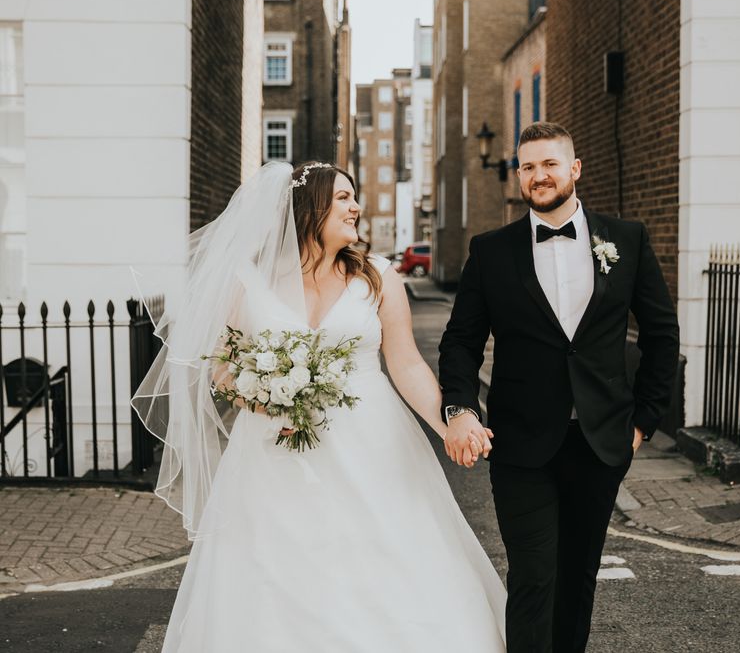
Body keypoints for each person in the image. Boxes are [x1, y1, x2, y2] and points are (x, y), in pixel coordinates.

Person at [132, 161, 505, 651]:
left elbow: (407, 364)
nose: (357, 207)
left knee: (385, 554)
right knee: (273, 565)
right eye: (345, 198)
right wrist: (262, 397)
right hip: (271, 450)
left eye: (355, 198)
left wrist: (453, 422)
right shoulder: (248, 280)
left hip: (371, 441)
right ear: (310, 208)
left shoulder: (378, 277)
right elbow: (221, 365)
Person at [438, 122, 680, 652]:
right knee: (533, 575)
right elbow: (460, 343)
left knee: (576, 579)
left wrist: (643, 421)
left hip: (600, 441)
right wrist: (460, 408)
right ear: (518, 175)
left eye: (549, 164)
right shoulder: (491, 251)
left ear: (574, 169)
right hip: (520, 444)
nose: (538, 175)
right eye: (527, 166)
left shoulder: (627, 240)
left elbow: (662, 335)